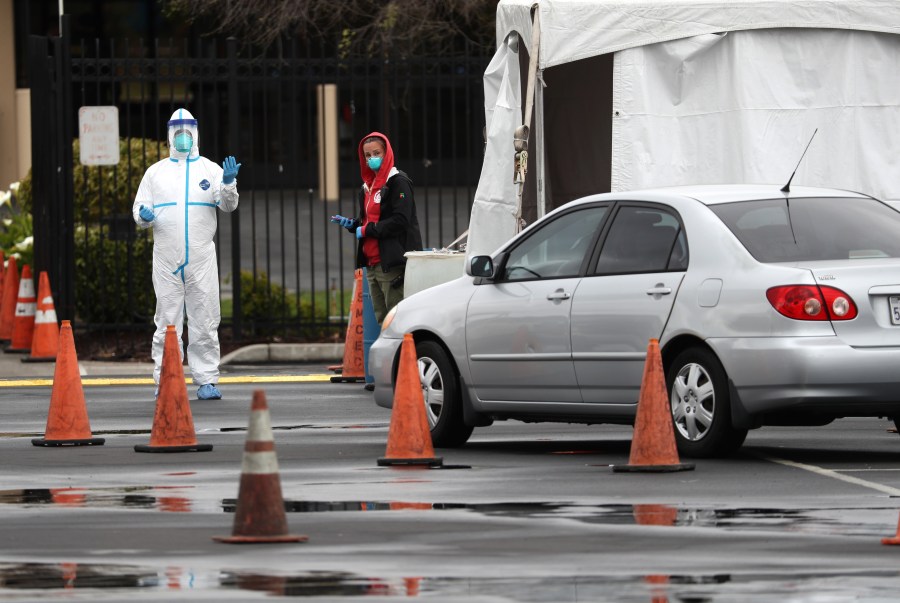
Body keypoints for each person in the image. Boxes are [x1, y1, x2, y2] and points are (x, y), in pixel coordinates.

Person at [132, 108, 241, 400]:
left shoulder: (211, 169)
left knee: (205, 317)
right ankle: (167, 377)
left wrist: (229, 183)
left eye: (187, 132)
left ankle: (206, 379)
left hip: (201, 258)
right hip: (166, 258)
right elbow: (139, 210)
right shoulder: (155, 173)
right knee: (166, 319)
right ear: (170, 135)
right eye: (177, 132)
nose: (183, 137)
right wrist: (144, 215)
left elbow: (228, 205)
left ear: (195, 133)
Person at [331, 132, 423, 323]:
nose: (372, 159)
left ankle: (404, 353)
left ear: (387, 153)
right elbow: (371, 219)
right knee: (383, 320)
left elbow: (400, 220)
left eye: (377, 153)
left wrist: (366, 230)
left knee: (398, 320)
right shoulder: (368, 186)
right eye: (367, 155)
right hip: (372, 265)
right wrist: (353, 224)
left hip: (390, 264)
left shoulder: (398, 183)